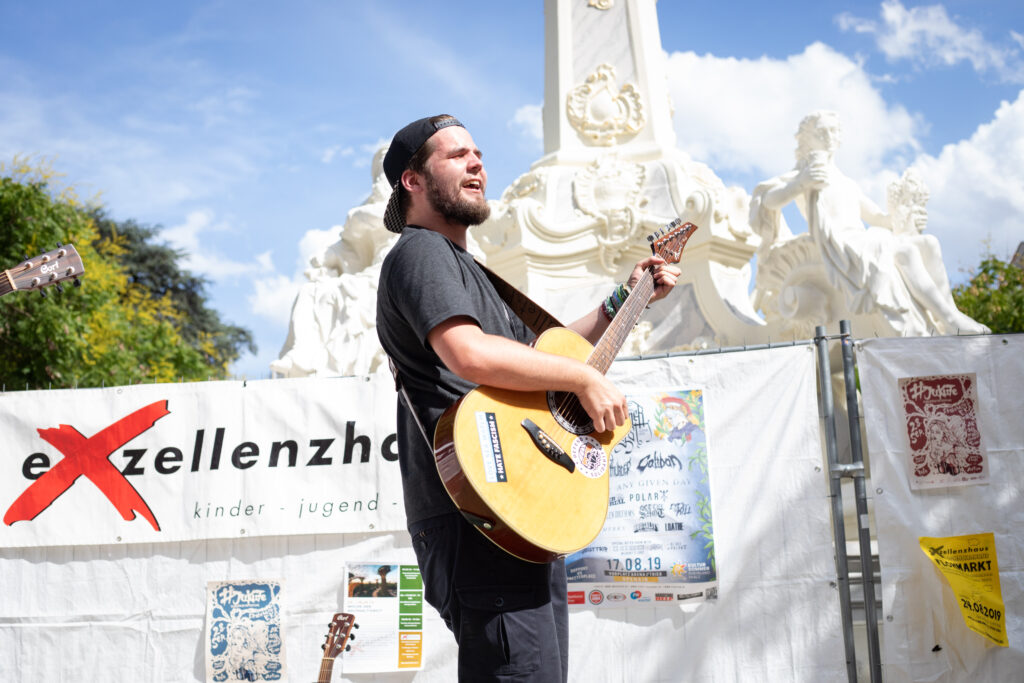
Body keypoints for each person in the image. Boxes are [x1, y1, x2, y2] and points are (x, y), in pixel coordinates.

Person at [375, 114, 680, 682]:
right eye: (456, 155)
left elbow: (548, 355)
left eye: (478, 154)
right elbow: (467, 353)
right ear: (412, 181)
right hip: (480, 511)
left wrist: (625, 299)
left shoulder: (465, 269)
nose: (477, 164)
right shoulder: (422, 253)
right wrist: (585, 381)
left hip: (513, 511)